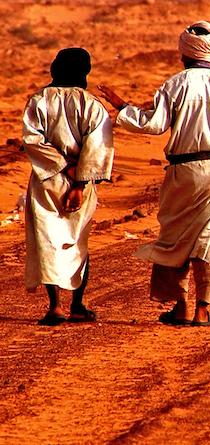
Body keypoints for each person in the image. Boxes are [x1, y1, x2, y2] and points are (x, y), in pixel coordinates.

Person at [95, 21, 210, 327]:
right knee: (209, 239)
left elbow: (153, 125)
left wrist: (122, 106)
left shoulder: (175, 84)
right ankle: (202, 310)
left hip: (182, 171)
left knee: (174, 238)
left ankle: (179, 306)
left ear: (184, 53)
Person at [23, 48, 114, 326]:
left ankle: (55, 307)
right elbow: (98, 146)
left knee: (47, 241)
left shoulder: (38, 101)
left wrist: (62, 167)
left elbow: (33, 140)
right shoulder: (92, 105)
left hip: (45, 179)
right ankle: (77, 305)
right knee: (77, 243)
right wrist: (80, 181)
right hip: (80, 184)